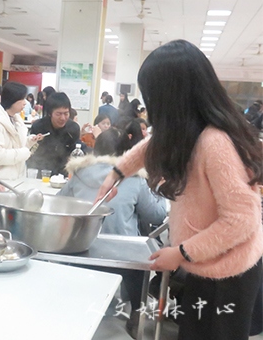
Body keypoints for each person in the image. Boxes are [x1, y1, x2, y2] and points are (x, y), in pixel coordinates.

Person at [95, 39, 263, 340]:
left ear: (172, 97)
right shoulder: (191, 129)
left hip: (226, 274)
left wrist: (182, 252)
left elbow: (241, 220)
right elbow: (150, 146)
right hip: (206, 264)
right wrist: (116, 173)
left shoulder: (215, 143)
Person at [59, 126, 167, 338]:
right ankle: (136, 315)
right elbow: (155, 215)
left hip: (81, 249)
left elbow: (60, 202)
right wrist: (161, 191)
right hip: (121, 256)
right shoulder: (135, 178)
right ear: (127, 154)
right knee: (139, 263)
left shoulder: (78, 173)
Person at [0, 82, 43, 180]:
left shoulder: (15, 120)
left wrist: (30, 141)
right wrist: (23, 153)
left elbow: (15, 145)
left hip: (14, 180)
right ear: (13, 100)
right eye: (22, 99)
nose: (25, 103)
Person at [27, 92, 81, 177]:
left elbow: (76, 151)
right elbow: (31, 152)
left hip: (64, 175)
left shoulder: (73, 128)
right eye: (58, 114)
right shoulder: (39, 126)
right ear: (49, 113)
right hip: (41, 173)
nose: (63, 118)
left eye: (66, 113)